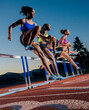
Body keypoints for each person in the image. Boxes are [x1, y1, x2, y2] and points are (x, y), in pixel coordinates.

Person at [8, 6, 59, 80]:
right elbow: (11, 26)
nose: (34, 13)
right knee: (38, 27)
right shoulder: (23, 21)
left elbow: (39, 35)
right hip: (24, 38)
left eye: (34, 12)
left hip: (32, 41)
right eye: (32, 12)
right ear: (28, 13)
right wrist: (10, 36)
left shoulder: (34, 24)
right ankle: (28, 45)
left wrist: (47, 38)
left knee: (41, 55)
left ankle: (50, 74)